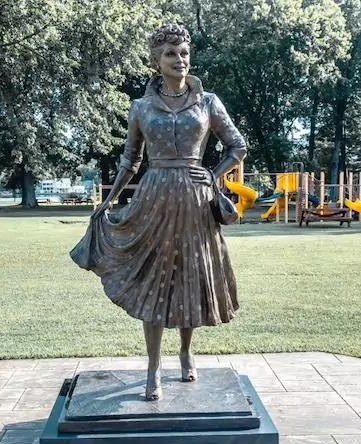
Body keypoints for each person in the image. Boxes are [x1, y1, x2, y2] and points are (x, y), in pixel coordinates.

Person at [70, 23, 247, 400]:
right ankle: (153, 366)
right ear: (156, 61)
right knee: (154, 278)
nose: (179, 60)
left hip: (196, 202)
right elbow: (131, 160)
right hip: (153, 199)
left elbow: (237, 146)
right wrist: (109, 199)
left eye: (184, 53)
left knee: (190, 277)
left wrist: (212, 174)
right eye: (170, 54)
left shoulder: (208, 102)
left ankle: (185, 353)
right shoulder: (141, 107)